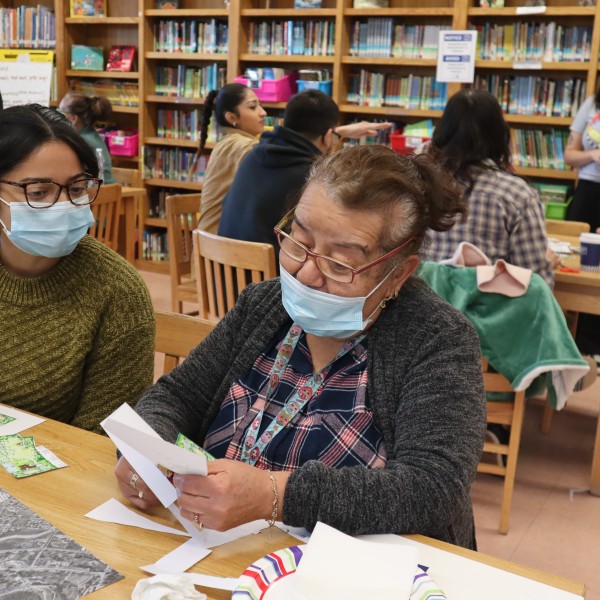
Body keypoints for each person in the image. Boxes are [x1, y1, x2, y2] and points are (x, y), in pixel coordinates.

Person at [115, 144, 487, 549]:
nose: (307, 273)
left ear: (398, 274)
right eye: (299, 242)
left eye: (340, 264)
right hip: (218, 555)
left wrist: (275, 495)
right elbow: (177, 395)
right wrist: (148, 450)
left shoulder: (438, 340)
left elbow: (433, 487)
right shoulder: (263, 304)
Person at [0, 104, 155, 434]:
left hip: (50, 477)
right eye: (38, 192)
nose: (63, 206)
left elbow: (101, 440)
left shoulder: (116, 291)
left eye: (76, 189)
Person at [218, 89, 393, 250]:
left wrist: (337, 133)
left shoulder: (253, 155)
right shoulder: (313, 178)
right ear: (327, 137)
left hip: (222, 270)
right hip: (268, 280)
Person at [422, 89, 555, 286]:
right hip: (484, 313)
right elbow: (537, 284)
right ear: (500, 134)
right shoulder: (517, 195)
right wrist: (548, 263)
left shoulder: (420, 183)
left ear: (442, 131)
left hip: (422, 308)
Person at [194, 83, 267, 234]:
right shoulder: (240, 145)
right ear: (232, 117)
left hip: (213, 246)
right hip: (218, 251)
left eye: (260, 106)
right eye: (253, 107)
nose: (263, 113)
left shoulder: (229, 141)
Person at [58, 91, 116, 185]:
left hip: (98, 193)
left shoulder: (80, 141)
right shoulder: (89, 134)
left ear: (73, 118)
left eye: (60, 112)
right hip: (104, 191)